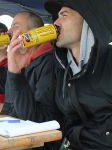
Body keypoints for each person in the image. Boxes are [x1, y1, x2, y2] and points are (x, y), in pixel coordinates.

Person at [44, 0, 112, 149]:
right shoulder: (62, 68)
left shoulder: (108, 62)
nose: (55, 22)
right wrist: (15, 73)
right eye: (56, 16)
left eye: (64, 15)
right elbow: (48, 118)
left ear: (89, 20)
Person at [0, 11, 59, 123]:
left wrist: (2, 108)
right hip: (15, 131)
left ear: (34, 32)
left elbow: (42, 116)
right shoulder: (17, 60)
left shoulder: (49, 63)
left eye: (15, 26)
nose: (9, 31)